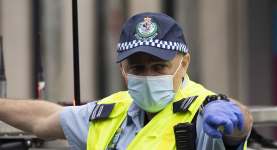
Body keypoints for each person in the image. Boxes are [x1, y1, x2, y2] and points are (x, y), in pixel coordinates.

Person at [0, 12, 253, 150]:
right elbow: (43, 119)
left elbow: (239, 129)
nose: (148, 76)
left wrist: (237, 117)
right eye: (138, 68)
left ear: (183, 63)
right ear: (123, 69)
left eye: (159, 67)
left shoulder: (203, 113)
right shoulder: (109, 114)